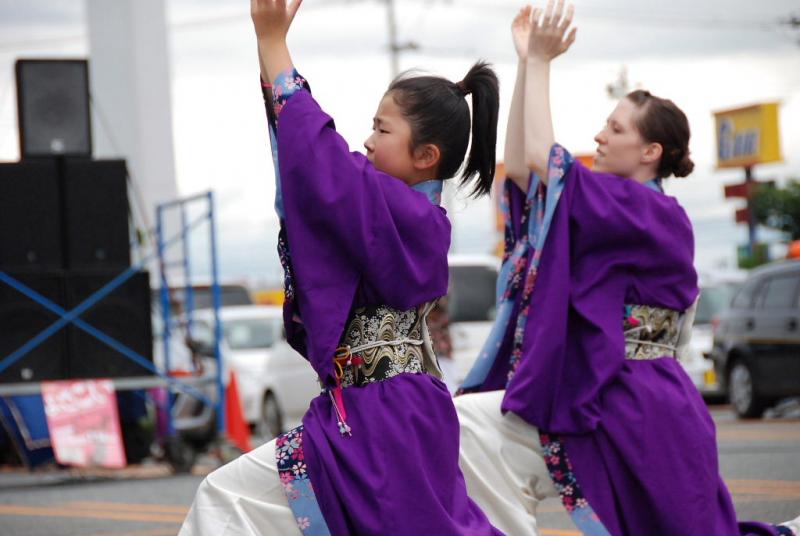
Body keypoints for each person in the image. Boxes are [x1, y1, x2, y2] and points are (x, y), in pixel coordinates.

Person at [455, 2, 800, 535]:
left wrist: (541, 62)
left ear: (650, 151)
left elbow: (544, 160)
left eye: (615, 128)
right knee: (470, 427)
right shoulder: (615, 203)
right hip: (603, 390)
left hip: (636, 403)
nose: (599, 136)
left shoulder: (650, 211)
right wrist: (526, 63)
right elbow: (524, 169)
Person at [180, 0, 503, 534]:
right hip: (378, 410)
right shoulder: (394, 210)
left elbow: (321, 161)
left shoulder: (408, 216)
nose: (368, 141)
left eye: (382, 130)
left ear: (425, 156)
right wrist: (270, 51)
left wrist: (273, 44)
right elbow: (311, 166)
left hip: (386, 416)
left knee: (225, 496)